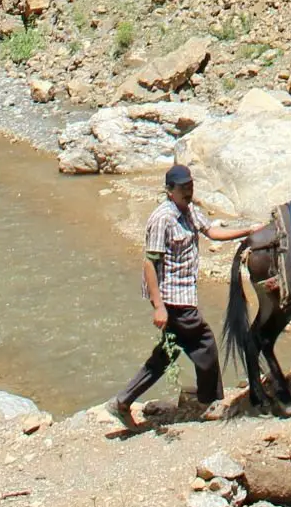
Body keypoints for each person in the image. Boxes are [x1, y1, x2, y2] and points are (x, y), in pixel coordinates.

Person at [106, 164, 257, 429]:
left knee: (166, 354)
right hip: (173, 298)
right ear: (169, 191)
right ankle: (210, 402)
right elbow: (149, 264)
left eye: (190, 186)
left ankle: (122, 402)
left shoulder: (189, 212)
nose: (188, 192)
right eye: (183, 188)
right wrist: (158, 307)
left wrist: (246, 230)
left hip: (184, 294)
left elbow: (212, 232)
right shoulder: (162, 218)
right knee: (205, 344)